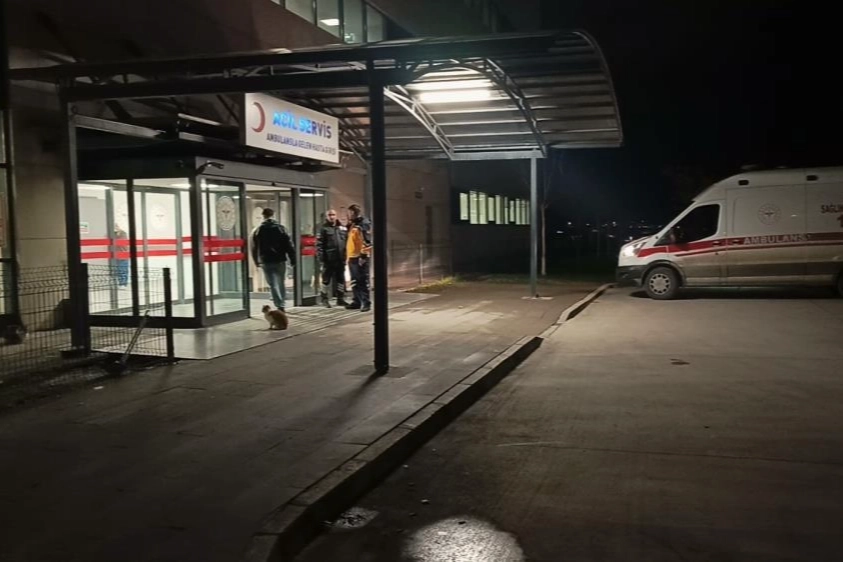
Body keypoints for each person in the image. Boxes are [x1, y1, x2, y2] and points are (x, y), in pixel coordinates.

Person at [251, 208, 296, 311]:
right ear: (273, 215)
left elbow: (254, 247)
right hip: (280, 260)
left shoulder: (258, 230)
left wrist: (256, 261)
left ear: (263, 216)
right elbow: (289, 245)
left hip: (266, 260)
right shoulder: (281, 228)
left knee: (272, 283)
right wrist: (292, 259)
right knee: (280, 282)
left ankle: (279, 304)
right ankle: (282, 303)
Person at [317, 209, 349, 308]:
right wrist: (322, 259)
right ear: (327, 216)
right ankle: (324, 299)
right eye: (330, 215)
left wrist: (345, 256)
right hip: (329, 259)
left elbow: (346, 242)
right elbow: (319, 245)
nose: (332, 217)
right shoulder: (323, 229)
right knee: (326, 280)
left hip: (340, 259)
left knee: (340, 279)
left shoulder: (342, 227)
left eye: (333, 215)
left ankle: (340, 298)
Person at [345, 204, 372, 312]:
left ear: (355, 213)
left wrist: (363, 256)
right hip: (352, 257)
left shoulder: (363, 224)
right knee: (354, 281)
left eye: (350, 213)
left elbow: (367, 242)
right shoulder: (353, 224)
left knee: (362, 281)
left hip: (359, 257)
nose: (348, 215)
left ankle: (366, 302)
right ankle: (357, 301)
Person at [113, 224, 129, 288]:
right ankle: (121, 283)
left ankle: (123, 284)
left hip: (123, 255)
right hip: (118, 255)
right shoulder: (115, 234)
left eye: (116, 226)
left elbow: (121, 243)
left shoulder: (123, 233)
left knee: (123, 270)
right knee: (119, 270)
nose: (115, 228)